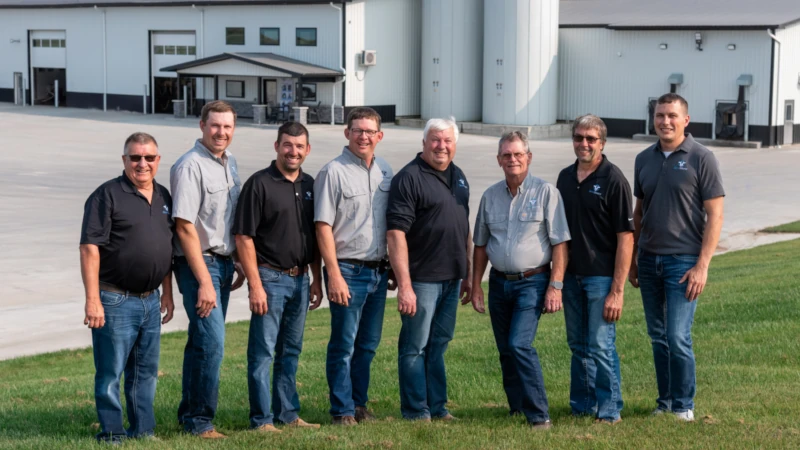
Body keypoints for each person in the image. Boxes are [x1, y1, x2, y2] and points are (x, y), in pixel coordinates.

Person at [629, 93, 725, 422]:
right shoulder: (644, 159)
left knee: (677, 336)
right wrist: (633, 260)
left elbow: (716, 216)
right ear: (653, 119)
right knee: (658, 336)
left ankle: (684, 405)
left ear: (686, 120)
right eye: (659, 115)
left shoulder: (702, 157)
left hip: (684, 262)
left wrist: (702, 266)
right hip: (649, 259)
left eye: (672, 115)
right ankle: (665, 402)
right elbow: (638, 213)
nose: (665, 121)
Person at [469, 131, 570, 430]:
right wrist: (476, 285)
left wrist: (556, 285)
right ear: (498, 159)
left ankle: (539, 415)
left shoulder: (546, 193)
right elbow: (481, 245)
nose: (512, 159)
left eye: (517, 154)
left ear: (528, 157)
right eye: (506, 155)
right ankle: (517, 407)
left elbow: (560, 243)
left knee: (519, 344)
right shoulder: (489, 196)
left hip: (533, 282)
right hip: (499, 283)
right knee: (505, 349)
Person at [79, 132, 175, 443]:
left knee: (145, 373)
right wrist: (92, 300)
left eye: (149, 157)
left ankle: (143, 430)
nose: (142, 163)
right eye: (135, 157)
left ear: (158, 161)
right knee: (111, 373)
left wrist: (168, 294)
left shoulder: (164, 196)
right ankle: (112, 434)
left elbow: (166, 250)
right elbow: (89, 248)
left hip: (151, 300)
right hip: (114, 299)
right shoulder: (106, 195)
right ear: (125, 160)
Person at [234, 122, 323, 432]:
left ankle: (287, 413)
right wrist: (255, 285)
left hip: (300, 280)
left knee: (291, 351)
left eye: (299, 146)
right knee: (263, 352)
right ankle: (261, 420)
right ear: (276, 146)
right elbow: (244, 237)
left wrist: (316, 280)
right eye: (287, 145)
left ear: (307, 150)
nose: (293, 151)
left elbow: (315, 237)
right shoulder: (259, 184)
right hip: (269, 279)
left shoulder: (311, 184)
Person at [386, 117, 471, 422]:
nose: (441, 146)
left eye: (447, 140)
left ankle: (438, 407)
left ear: (455, 144)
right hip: (422, 280)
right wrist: (405, 285)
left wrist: (470, 274)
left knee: (438, 346)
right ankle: (415, 410)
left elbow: (464, 230)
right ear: (423, 143)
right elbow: (395, 234)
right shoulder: (408, 178)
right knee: (415, 347)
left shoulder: (459, 177)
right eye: (435, 140)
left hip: (452, 278)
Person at [314, 107, 394, 425]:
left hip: (378, 271)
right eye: (357, 130)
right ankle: (342, 410)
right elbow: (322, 226)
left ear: (379, 136)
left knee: (368, 345)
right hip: (347, 270)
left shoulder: (385, 171)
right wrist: (332, 274)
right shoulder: (332, 172)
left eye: (369, 131)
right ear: (347, 133)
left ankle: (359, 405)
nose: (364, 136)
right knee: (344, 344)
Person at [171, 100, 244, 439]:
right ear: (201, 125)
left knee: (201, 342)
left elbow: (226, 219)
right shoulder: (190, 166)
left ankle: (188, 414)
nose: (221, 132)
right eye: (215, 125)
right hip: (200, 264)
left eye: (227, 126)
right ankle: (201, 422)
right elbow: (185, 227)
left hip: (224, 262)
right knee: (212, 343)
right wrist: (204, 281)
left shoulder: (230, 164)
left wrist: (239, 260)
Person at [556, 115, 633, 424]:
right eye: (578, 137)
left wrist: (618, 290)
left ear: (602, 143)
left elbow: (626, 239)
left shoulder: (614, 179)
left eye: (590, 138)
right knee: (578, 345)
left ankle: (609, 409)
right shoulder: (564, 177)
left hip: (602, 278)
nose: (583, 143)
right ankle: (582, 405)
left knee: (601, 345)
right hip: (572, 276)